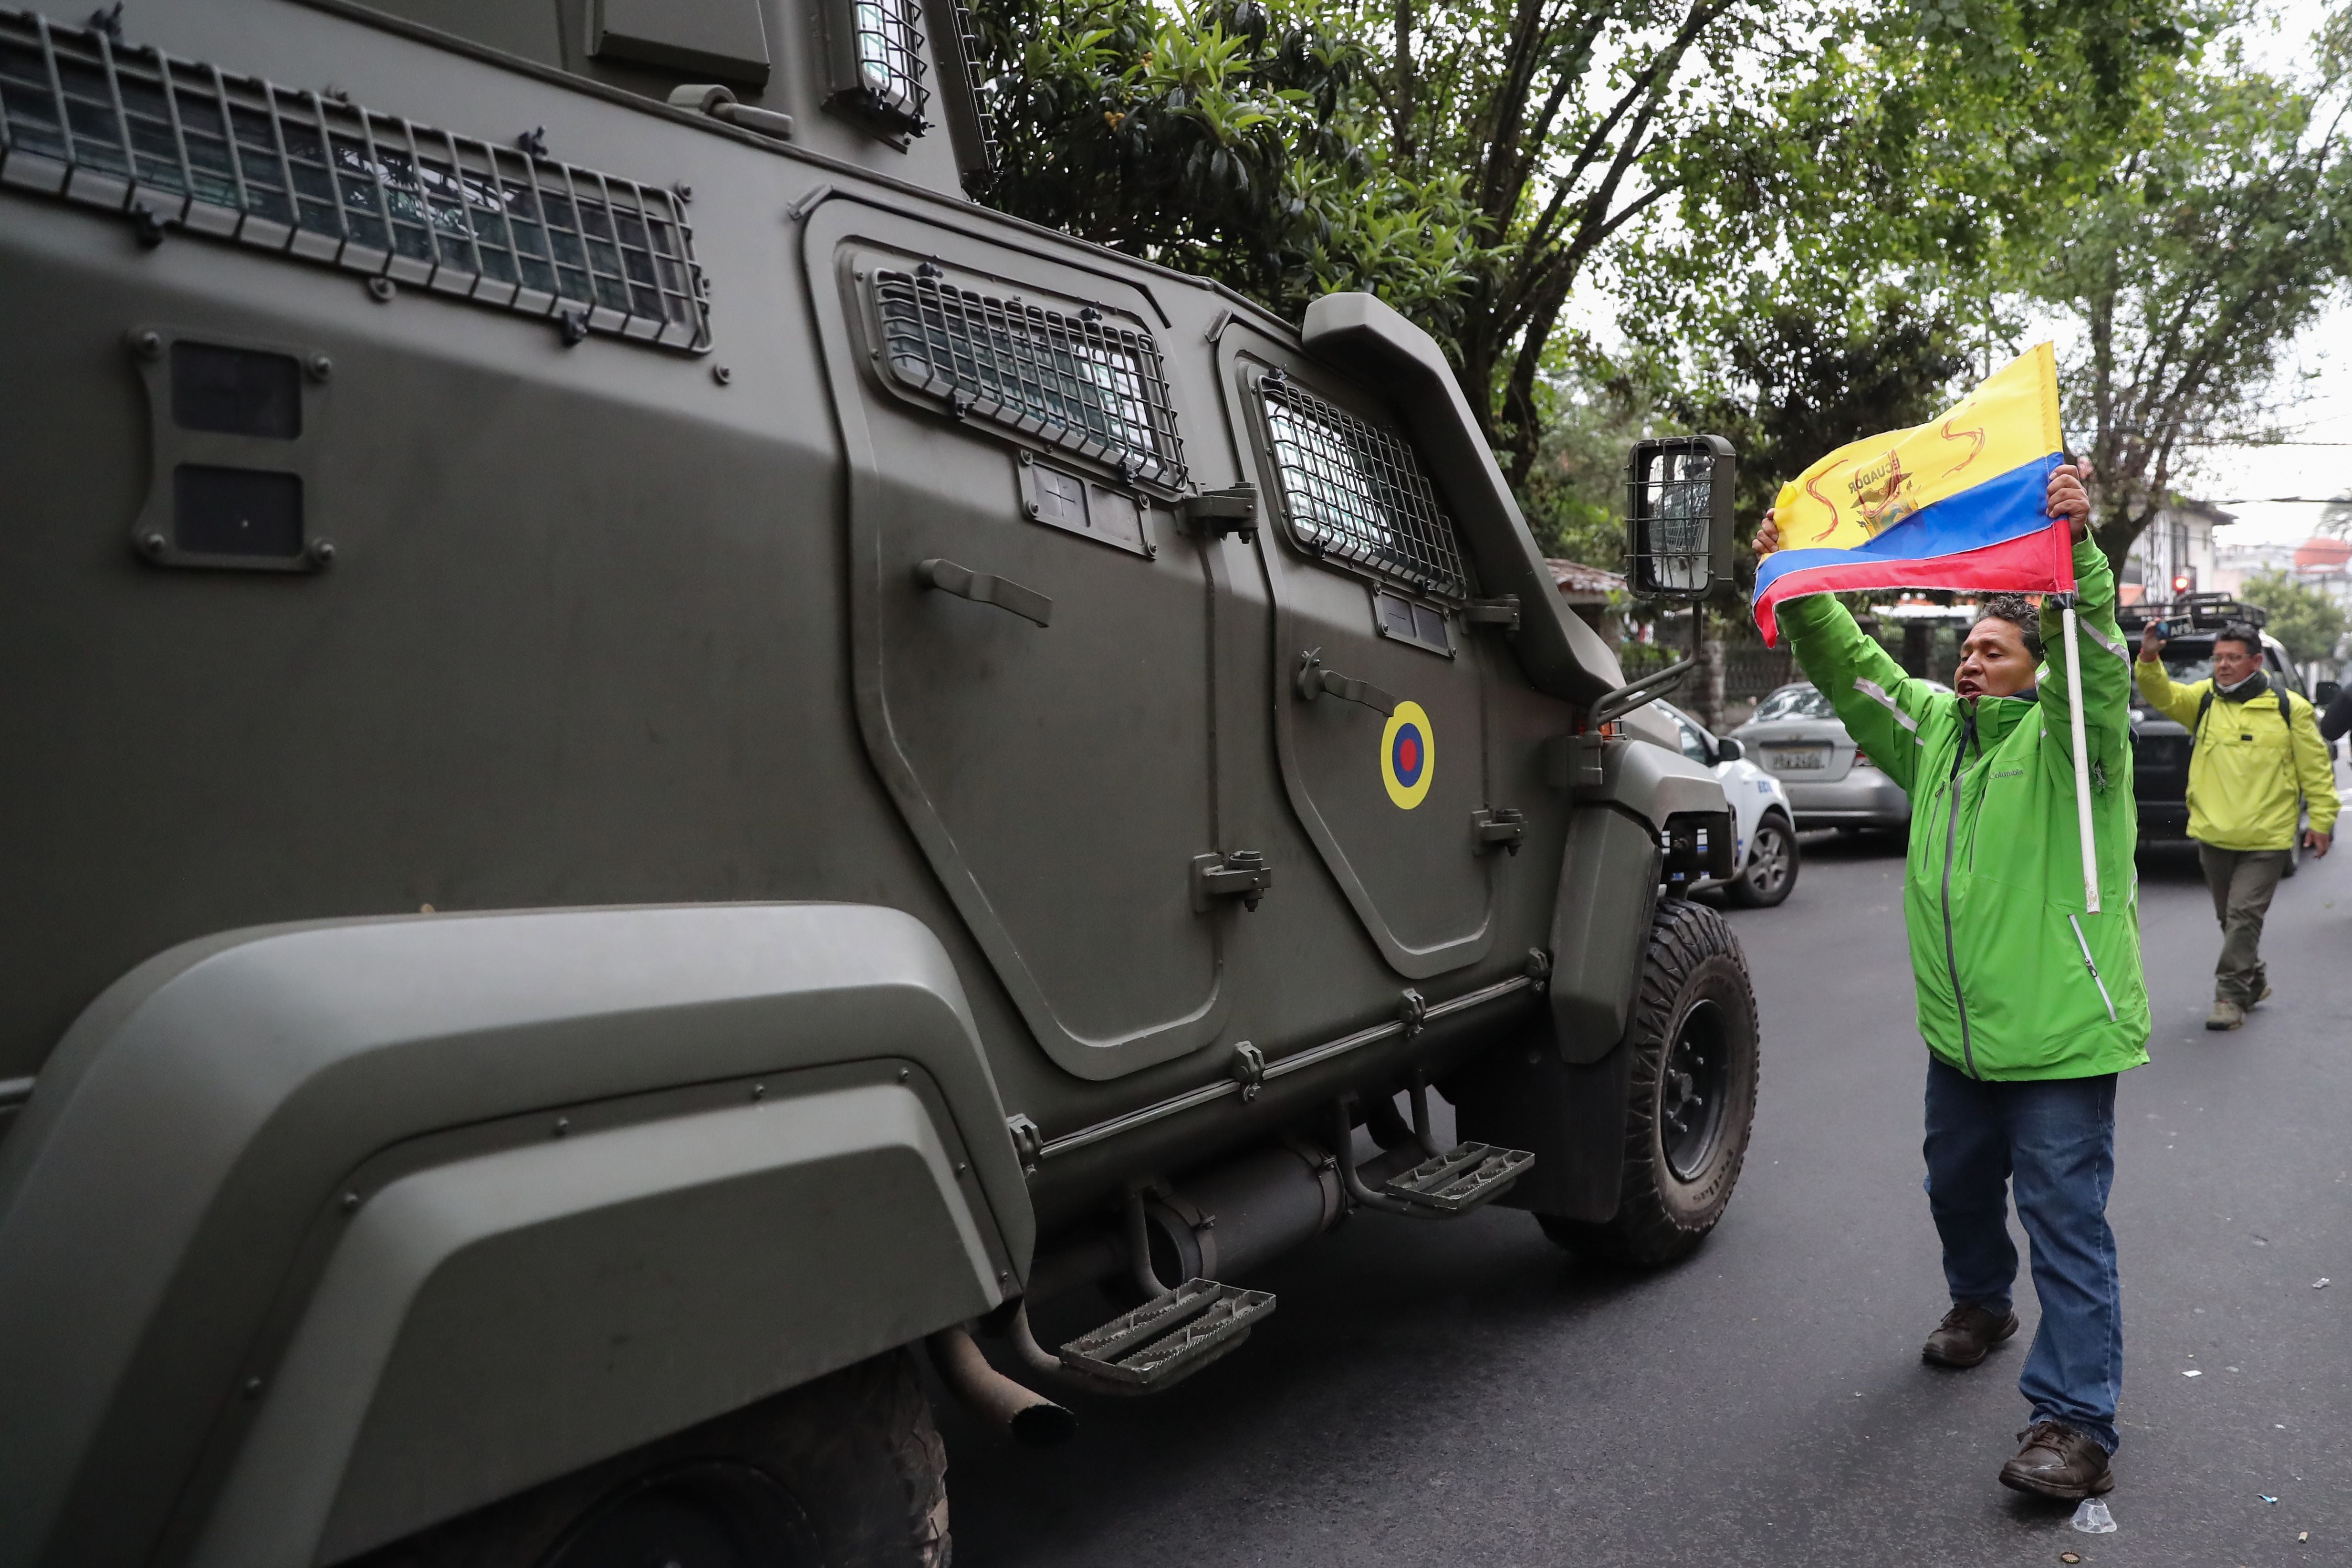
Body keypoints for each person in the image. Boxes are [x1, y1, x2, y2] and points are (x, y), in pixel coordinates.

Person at [1752, 462, 2149, 1501]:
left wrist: (2082, 563)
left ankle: (2074, 1421)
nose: (1970, 662)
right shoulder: (1934, 733)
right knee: (1956, 1187)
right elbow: (1852, 670)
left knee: (2065, 1223)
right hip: (1960, 1040)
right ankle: (1981, 1300)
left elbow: (2095, 668)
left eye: (1993, 649)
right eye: (1965, 647)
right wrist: (1798, 583)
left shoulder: (2077, 745)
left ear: (2034, 665)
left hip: (2061, 1037)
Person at [2134, 621, 2336, 1030]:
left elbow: (2315, 771)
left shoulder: (2289, 708)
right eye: (2218, 658)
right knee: (2230, 919)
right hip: (2213, 833)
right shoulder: (2203, 701)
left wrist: (2320, 820)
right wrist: (2149, 657)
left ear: (2255, 662)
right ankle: (2254, 978)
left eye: (2231, 658)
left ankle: (2228, 997)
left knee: (2243, 916)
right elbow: (2163, 694)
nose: (2222, 666)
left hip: (2267, 837)